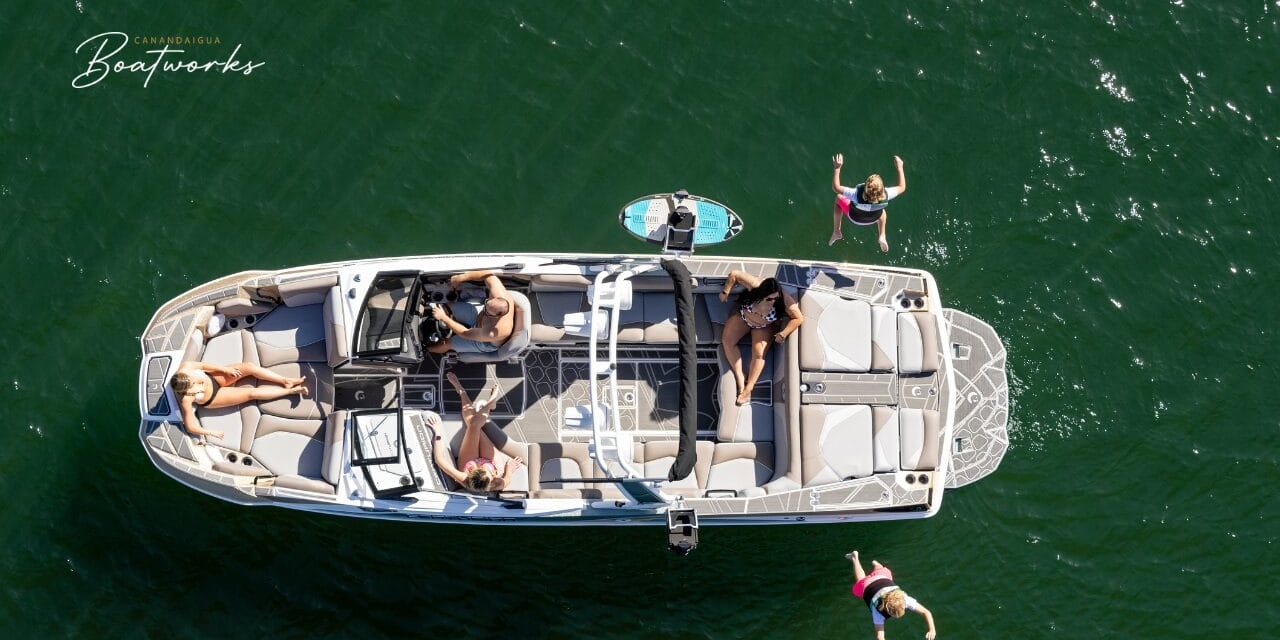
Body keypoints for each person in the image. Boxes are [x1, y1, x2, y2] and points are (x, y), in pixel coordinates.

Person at [719, 270, 804, 406]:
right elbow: (734, 274)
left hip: (764, 326)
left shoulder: (784, 300)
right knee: (727, 341)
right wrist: (725, 291)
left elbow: (798, 318)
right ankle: (740, 375)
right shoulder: (755, 285)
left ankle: (748, 388)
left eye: (775, 299)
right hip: (744, 318)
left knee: (758, 354)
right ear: (761, 293)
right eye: (769, 299)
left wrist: (783, 333)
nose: (773, 302)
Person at [428, 371, 523, 492]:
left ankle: (463, 392)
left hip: (469, 462)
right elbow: (506, 481)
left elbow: (439, 460)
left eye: (478, 469)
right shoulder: (496, 483)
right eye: (483, 470)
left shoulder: (463, 477)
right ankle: (490, 403)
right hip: (492, 464)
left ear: (471, 475)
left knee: (473, 425)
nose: (480, 465)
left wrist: (438, 433)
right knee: (474, 425)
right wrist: (509, 469)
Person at [170, 361, 307, 441]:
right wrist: (211, 432)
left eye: (195, 381)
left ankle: (286, 381)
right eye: (195, 388)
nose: (199, 384)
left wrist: (225, 369)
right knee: (251, 393)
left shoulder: (187, 366)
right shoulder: (186, 400)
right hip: (214, 396)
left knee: (249, 367)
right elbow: (190, 426)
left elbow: (204, 366)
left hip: (213, 378)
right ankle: (291, 391)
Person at [847, 551, 937, 640]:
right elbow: (880, 637)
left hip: (882, 577)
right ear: (887, 610)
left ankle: (874, 564)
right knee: (861, 580)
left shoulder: (904, 599)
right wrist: (931, 629)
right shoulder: (878, 612)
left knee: (881, 573)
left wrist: (932, 630)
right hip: (868, 583)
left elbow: (927, 612)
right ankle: (855, 559)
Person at [426, 269, 520, 355]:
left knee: (445, 344)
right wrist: (461, 277)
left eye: (487, 311)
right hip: (478, 318)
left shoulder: (495, 332)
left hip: (484, 340)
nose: (484, 309)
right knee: (447, 306)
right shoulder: (499, 294)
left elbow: (465, 333)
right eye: (486, 304)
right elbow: (488, 274)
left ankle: (425, 349)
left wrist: (444, 318)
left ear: (497, 316)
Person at [829, 153, 907, 252]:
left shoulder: (855, 194)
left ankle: (836, 231)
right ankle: (882, 235)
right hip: (873, 218)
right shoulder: (886, 194)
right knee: (882, 213)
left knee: (838, 199)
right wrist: (900, 167)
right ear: (882, 189)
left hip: (855, 218)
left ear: (865, 186)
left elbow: (836, 187)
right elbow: (902, 187)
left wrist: (837, 168)